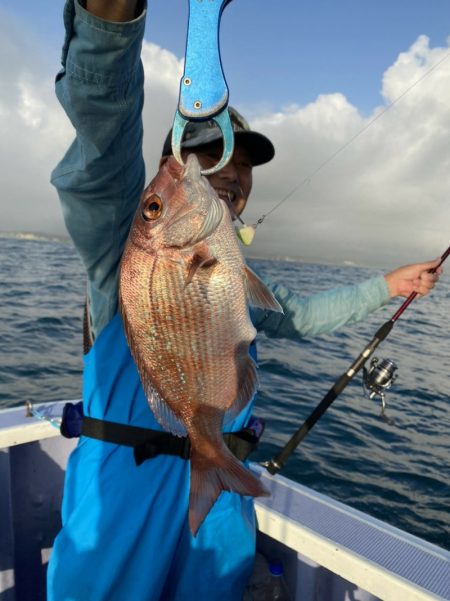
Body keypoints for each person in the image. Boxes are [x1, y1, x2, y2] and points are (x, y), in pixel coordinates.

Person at [47, 2, 442, 600]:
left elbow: (299, 316)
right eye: (210, 154)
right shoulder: (120, 243)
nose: (233, 170)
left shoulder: (231, 281)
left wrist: (390, 285)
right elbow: (102, 138)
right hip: (122, 500)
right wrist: (108, 26)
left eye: (245, 163)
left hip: (222, 501)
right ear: (168, 167)